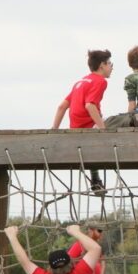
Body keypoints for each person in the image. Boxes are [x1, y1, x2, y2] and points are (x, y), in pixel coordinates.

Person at [51, 49, 114, 195]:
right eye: (110, 63)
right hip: (88, 128)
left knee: (91, 149)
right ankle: (96, 179)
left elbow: (62, 106)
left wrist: (53, 130)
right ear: (102, 65)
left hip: (75, 130)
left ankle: (95, 179)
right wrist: (103, 128)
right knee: (115, 126)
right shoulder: (100, 82)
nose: (111, 67)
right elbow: (90, 105)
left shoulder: (80, 82)